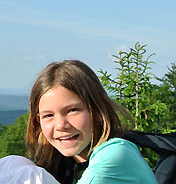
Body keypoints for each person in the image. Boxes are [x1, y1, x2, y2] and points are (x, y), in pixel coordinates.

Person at [25, 60, 156, 184]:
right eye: (48, 115)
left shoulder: (115, 154)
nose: (60, 125)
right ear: (39, 120)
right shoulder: (68, 166)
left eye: (72, 110)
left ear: (98, 111)